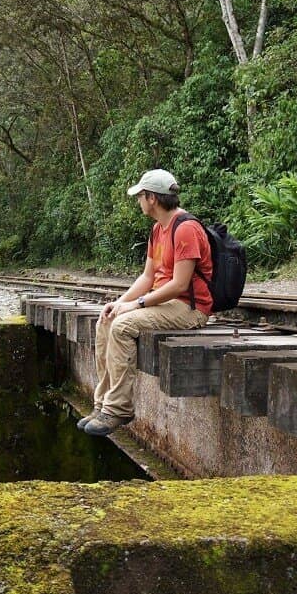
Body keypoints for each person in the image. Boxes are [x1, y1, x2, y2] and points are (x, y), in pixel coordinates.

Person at [79, 168, 212, 436]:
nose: (138, 200)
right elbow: (148, 276)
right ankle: (103, 402)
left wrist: (136, 305)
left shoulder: (186, 229)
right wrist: (119, 302)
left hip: (190, 309)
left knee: (122, 326)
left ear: (152, 198)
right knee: (105, 322)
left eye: (140, 195)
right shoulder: (157, 230)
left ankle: (119, 409)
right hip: (166, 303)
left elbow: (179, 285)